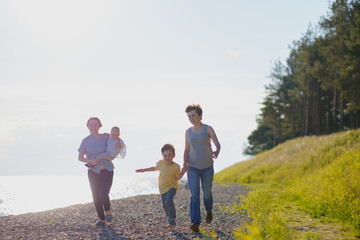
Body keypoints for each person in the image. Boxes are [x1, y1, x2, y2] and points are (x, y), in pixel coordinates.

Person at [178, 104, 221, 233]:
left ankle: (209, 210)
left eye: (193, 116)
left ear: (200, 116)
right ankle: (195, 222)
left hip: (207, 166)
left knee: (207, 193)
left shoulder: (208, 129)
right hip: (192, 167)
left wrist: (217, 151)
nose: (191, 118)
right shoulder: (188, 132)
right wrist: (184, 165)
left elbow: (217, 143)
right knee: (194, 195)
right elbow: (186, 150)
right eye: (189, 116)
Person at [78, 117, 124, 226]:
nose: (93, 127)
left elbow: (116, 143)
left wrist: (115, 138)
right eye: (91, 125)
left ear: (99, 126)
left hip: (107, 170)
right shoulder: (85, 141)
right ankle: (101, 219)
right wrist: (90, 160)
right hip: (93, 172)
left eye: (96, 125)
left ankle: (108, 212)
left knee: (103, 193)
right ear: (88, 127)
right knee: (95, 196)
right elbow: (80, 157)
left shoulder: (106, 137)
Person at [136, 144, 181, 228]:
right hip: (162, 188)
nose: (167, 157)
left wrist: (184, 171)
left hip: (172, 187)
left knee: (168, 201)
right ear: (162, 156)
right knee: (165, 205)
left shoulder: (176, 166)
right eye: (165, 156)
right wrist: (143, 170)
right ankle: (169, 217)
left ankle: (172, 219)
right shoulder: (161, 163)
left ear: (174, 155)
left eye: (169, 155)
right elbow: (153, 168)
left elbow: (178, 177)